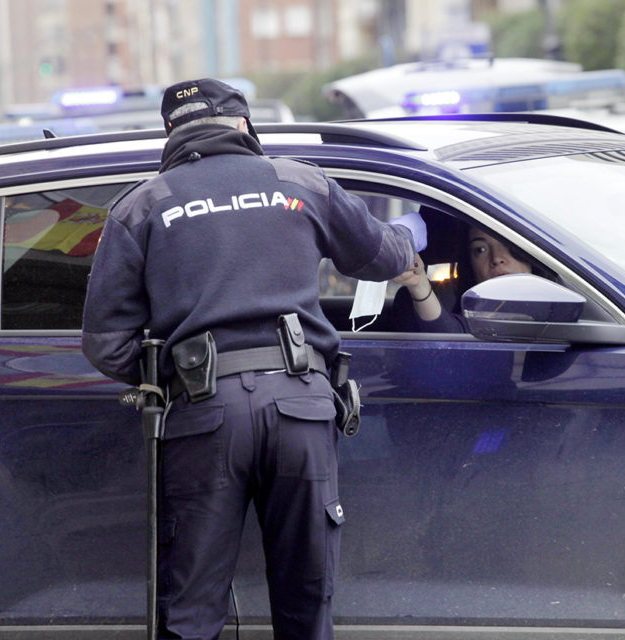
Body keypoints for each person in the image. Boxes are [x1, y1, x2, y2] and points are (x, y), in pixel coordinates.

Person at [81, 78, 424, 640]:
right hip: (301, 406)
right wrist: (410, 236)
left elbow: (106, 343)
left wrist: (179, 376)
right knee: (306, 600)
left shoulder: (142, 205)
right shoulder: (298, 182)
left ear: (171, 133)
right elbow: (382, 255)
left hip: (203, 413)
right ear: (243, 125)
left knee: (191, 610)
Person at [392, 222, 532, 333]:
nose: (496, 258)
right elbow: (449, 336)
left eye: (509, 244)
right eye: (480, 250)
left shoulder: (551, 306)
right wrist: (419, 284)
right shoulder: (480, 315)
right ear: (471, 265)